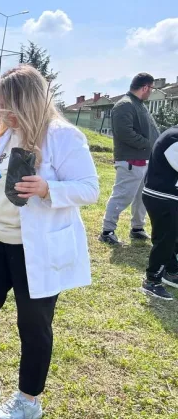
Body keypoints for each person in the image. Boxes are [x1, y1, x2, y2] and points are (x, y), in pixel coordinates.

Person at [0, 65, 99, 419]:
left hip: (37, 250)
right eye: (0, 108)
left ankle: (29, 400)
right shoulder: (0, 137)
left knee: (33, 323)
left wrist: (49, 189)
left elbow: (91, 188)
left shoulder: (64, 137)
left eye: (8, 108)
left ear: (30, 103)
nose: (3, 115)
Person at [99, 73, 160, 245]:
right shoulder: (124, 105)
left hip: (144, 159)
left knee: (142, 196)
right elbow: (125, 133)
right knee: (122, 195)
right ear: (145, 87)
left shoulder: (138, 104)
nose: (151, 92)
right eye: (152, 88)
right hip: (131, 160)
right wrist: (149, 144)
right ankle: (107, 231)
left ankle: (137, 228)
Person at [140, 125, 178, 300]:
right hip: (162, 196)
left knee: (172, 238)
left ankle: (171, 271)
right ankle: (152, 281)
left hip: (167, 195)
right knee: (165, 239)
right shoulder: (173, 138)